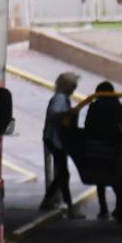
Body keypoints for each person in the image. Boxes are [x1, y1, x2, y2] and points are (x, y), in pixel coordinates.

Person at [41, 71, 84, 219]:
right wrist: (69, 112)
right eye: (73, 86)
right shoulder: (60, 98)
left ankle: (49, 200)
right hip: (55, 140)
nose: (74, 89)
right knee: (63, 174)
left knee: (63, 174)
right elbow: (54, 113)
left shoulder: (61, 98)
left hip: (55, 139)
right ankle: (69, 206)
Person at [85, 81, 122, 220]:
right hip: (114, 146)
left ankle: (103, 209)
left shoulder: (94, 106)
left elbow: (88, 126)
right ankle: (120, 207)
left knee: (100, 180)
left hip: (97, 147)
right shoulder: (117, 106)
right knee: (116, 178)